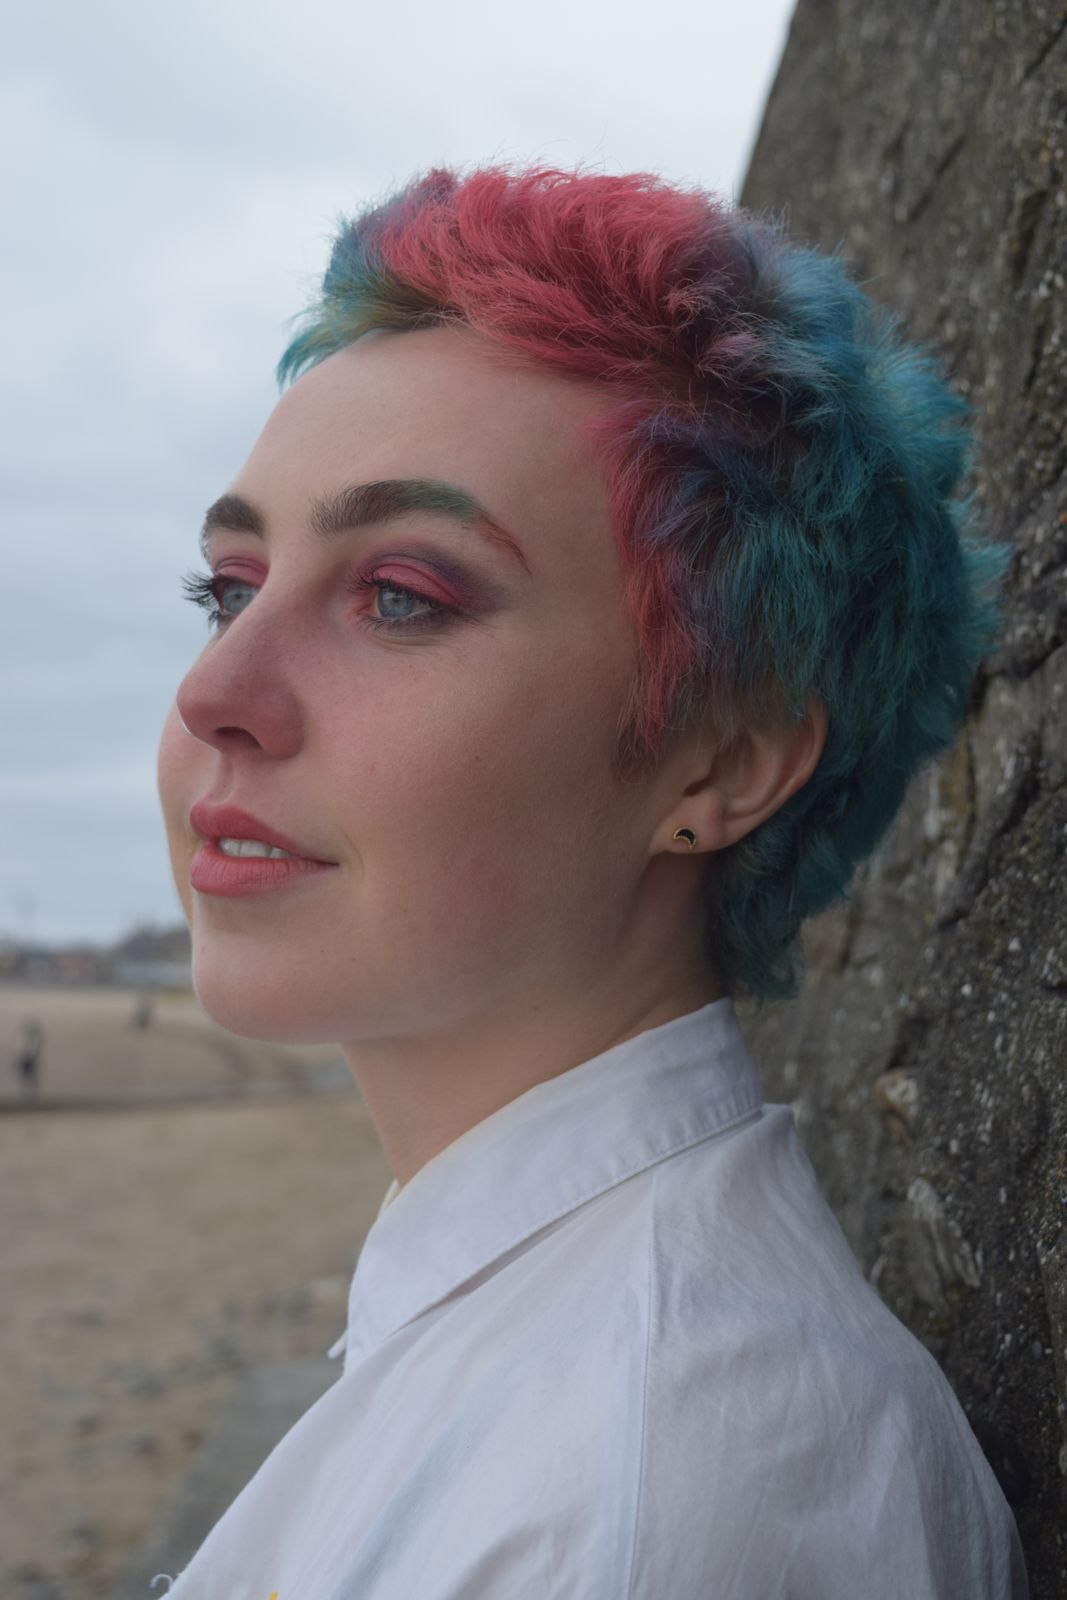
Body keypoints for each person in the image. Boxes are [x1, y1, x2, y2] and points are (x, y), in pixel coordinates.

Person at [155, 164, 1028, 1597]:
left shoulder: (643, 1499)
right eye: (230, 589)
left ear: (718, 766)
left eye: (401, 597)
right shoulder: (553, 1345)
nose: (213, 694)